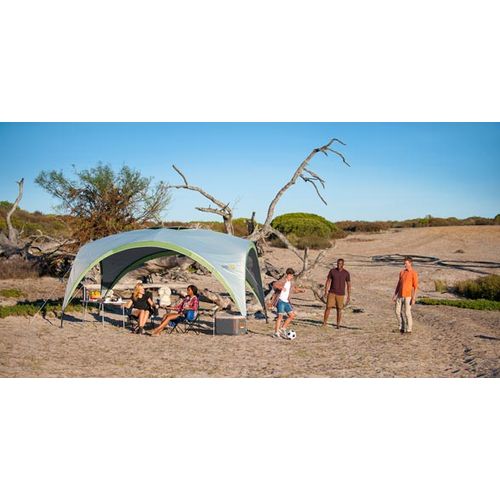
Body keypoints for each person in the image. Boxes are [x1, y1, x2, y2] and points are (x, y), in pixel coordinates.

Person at [270, 268, 304, 338]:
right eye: (290, 275)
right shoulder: (282, 280)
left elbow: (293, 290)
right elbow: (275, 285)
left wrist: (300, 291)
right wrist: (280, 287)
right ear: (287, 275)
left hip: (286, 301)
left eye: (292, 276)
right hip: (280, 300)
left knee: (292, 315)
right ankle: (276, 332)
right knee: (280, 316)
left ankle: (283, 329)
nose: (291, 277)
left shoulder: (290, 283)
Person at [322, 258, 351, 330]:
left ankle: (338, 325)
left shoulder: (346, 273)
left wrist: (348, 296)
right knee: (328, 307)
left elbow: (348, 285)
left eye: (340, 263)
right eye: (338, 263)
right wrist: (326, 291)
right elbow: (328, 281)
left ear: (343, 264)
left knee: (339, 309)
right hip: (332, 293)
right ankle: (324, 323)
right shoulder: (332, 271)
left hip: (341, 294)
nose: (339, 265)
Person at [392, 256, 419, 334]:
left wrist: (413, 298)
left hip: (408, 296)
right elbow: (398, 284)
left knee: (407, 313)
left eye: (406, 263)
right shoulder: (402, 272)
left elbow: (415, 287)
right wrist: (395, 294)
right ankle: (401, 327)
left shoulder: (414, 273)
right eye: (404, 263)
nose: (405, 265)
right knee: (397, 312)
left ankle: (409, 330)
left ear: (410, 263)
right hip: (400, 295)